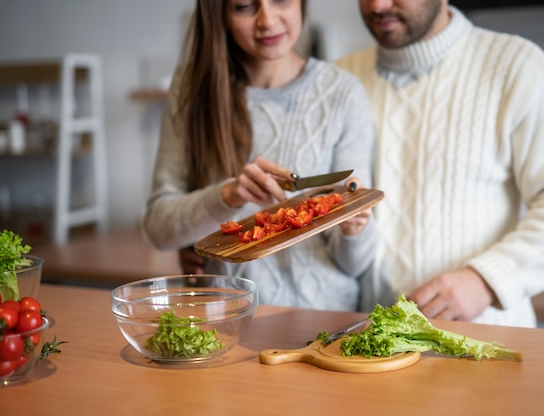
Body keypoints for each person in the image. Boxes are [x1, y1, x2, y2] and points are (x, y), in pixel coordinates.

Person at [335, 0, 544, 326]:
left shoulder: (517, 66)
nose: (377, 6)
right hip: (369, 342)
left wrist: (487, 279)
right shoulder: (340, 79)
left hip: (486, 340)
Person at [142, 0, 379, 312]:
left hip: (325, 323)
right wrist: (226, 196)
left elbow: (355, 266)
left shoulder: (343, 93)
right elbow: (158, 229)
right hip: (228, 322)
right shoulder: (193, 89)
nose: (267, 20)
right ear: (220, 15)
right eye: (244, 6)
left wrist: (355, 230)